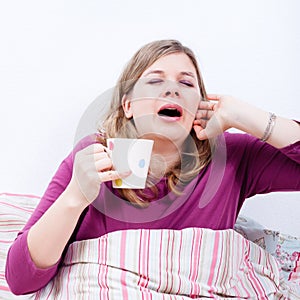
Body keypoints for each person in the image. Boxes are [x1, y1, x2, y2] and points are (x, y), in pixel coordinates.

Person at [5, 39, 300, 295]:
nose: (172, 90)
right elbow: (20, 280)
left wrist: (245, 116)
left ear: (199, 105)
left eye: (186, 83)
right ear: (128, 106)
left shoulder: (231, 155)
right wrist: (73, 199)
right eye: (155, 81)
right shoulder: (93, 156)